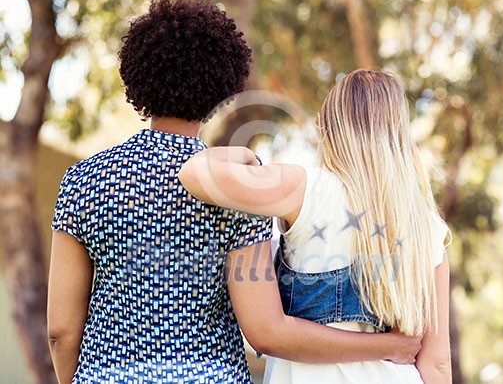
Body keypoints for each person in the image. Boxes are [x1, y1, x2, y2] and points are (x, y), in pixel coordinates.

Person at [47, 0, 422, 383]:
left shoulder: (84, 180)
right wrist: (387, 346)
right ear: (220, 87)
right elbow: (265, 330)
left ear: (138, 73)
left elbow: (60, 330)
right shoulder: (237, 189)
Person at [179, 69, 452, 383]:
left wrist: (246, 157)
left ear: (332, 129)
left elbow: (194, 173)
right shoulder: (427, 227)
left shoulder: (307, 189)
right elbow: (437, 364)